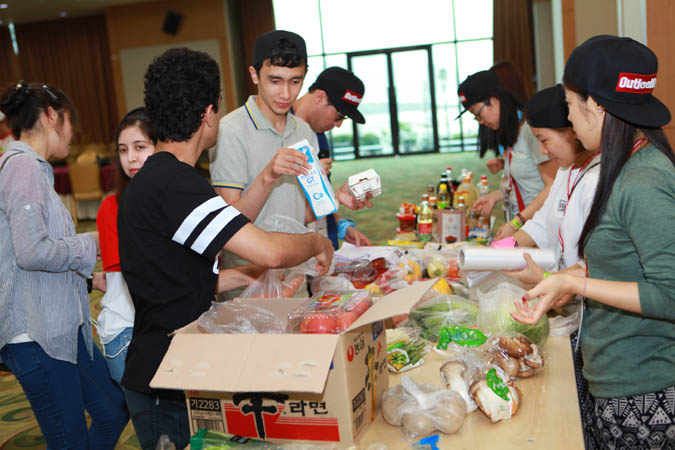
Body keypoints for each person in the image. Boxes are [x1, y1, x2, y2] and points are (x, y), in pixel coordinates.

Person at [117, 47, 335, 449]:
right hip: (165, 378)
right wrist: (318, 241)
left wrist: (262, 284)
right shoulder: (175, 184)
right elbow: (267, 250)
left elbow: (186, 278)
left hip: (173, 366)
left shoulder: (159, 179)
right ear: (208, 114)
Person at [512, 36, 675, 450]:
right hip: (616, 379)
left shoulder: (643, 179)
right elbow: (624, 263)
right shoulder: (623, 166)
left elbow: (670, 292)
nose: (567, 115)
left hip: (644, 390)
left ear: (596, 106)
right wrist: (565, 279)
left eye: (569, 103)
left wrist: (574, 285)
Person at [0, 82, 128, 449]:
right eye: (69, 121)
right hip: (35, 334)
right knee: (68, 438)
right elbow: (32, 252)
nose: (72, 133)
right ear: (51, 116)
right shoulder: (21, 167)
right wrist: (92, 243)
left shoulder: (31, 168)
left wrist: (88, 278)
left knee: (111, 409)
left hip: (62, 326)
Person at [210, 31, 369, 298]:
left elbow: (298, 213)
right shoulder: (230, 130)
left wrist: (335, 197)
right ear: (254, 75)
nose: (285, 93)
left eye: (295, 81)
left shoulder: (304, 132)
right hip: (247, 286)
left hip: (294, 280)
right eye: (275, 81)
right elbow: (228, 226)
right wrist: (268, 175)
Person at [504, 84, 600, 286]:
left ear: (572, 131)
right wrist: (501, 248)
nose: (543, 151)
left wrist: (547, 279)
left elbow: (596, 267)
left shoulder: (597, 177)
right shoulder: (566, 170)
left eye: (544, 140)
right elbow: (541, 222)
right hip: (562, 289)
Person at [457, 68, 557, 238]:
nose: (481, 122)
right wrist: (495, 196)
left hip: (541, 230)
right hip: (525, 229)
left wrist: (518, 221)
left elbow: (554, 185)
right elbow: (522, 178)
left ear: (494, 100)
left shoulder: (530, 131)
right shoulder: (511, 132)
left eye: (478, 114)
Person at [95, 107, 156, 384]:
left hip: (159, 332)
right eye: (123, 150)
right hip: (129, 333)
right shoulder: (112, 207)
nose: (130, 158)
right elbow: (135, 280)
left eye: (140, 147)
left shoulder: (173, 198)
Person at [292, 66, 371, 248]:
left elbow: (320, 196)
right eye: (339, 116)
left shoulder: (320, 138)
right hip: (292, 252)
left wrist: (341, 226)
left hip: (322, 248)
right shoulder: (279, 133)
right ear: (320, 97)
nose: (338, 125)